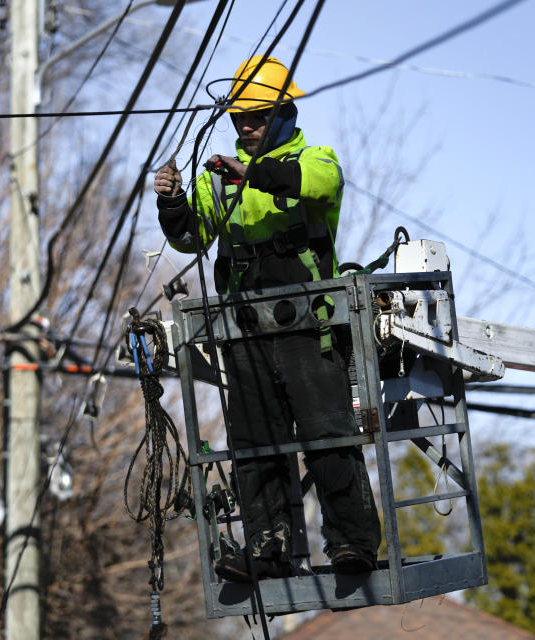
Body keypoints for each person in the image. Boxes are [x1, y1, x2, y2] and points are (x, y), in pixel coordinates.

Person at [153, 56, 380, 582]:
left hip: (309, 331)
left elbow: (316, 185)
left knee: (328, 437)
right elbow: (192, 238)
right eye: (239, 119)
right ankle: (267, 547)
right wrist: (173, 204)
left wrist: (249, 173)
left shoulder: (316, 159)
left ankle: (351, 543)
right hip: (245, 333)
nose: (246, 127)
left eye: (257, 116)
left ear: (284, 113)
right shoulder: (217, 181)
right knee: (256, 447)